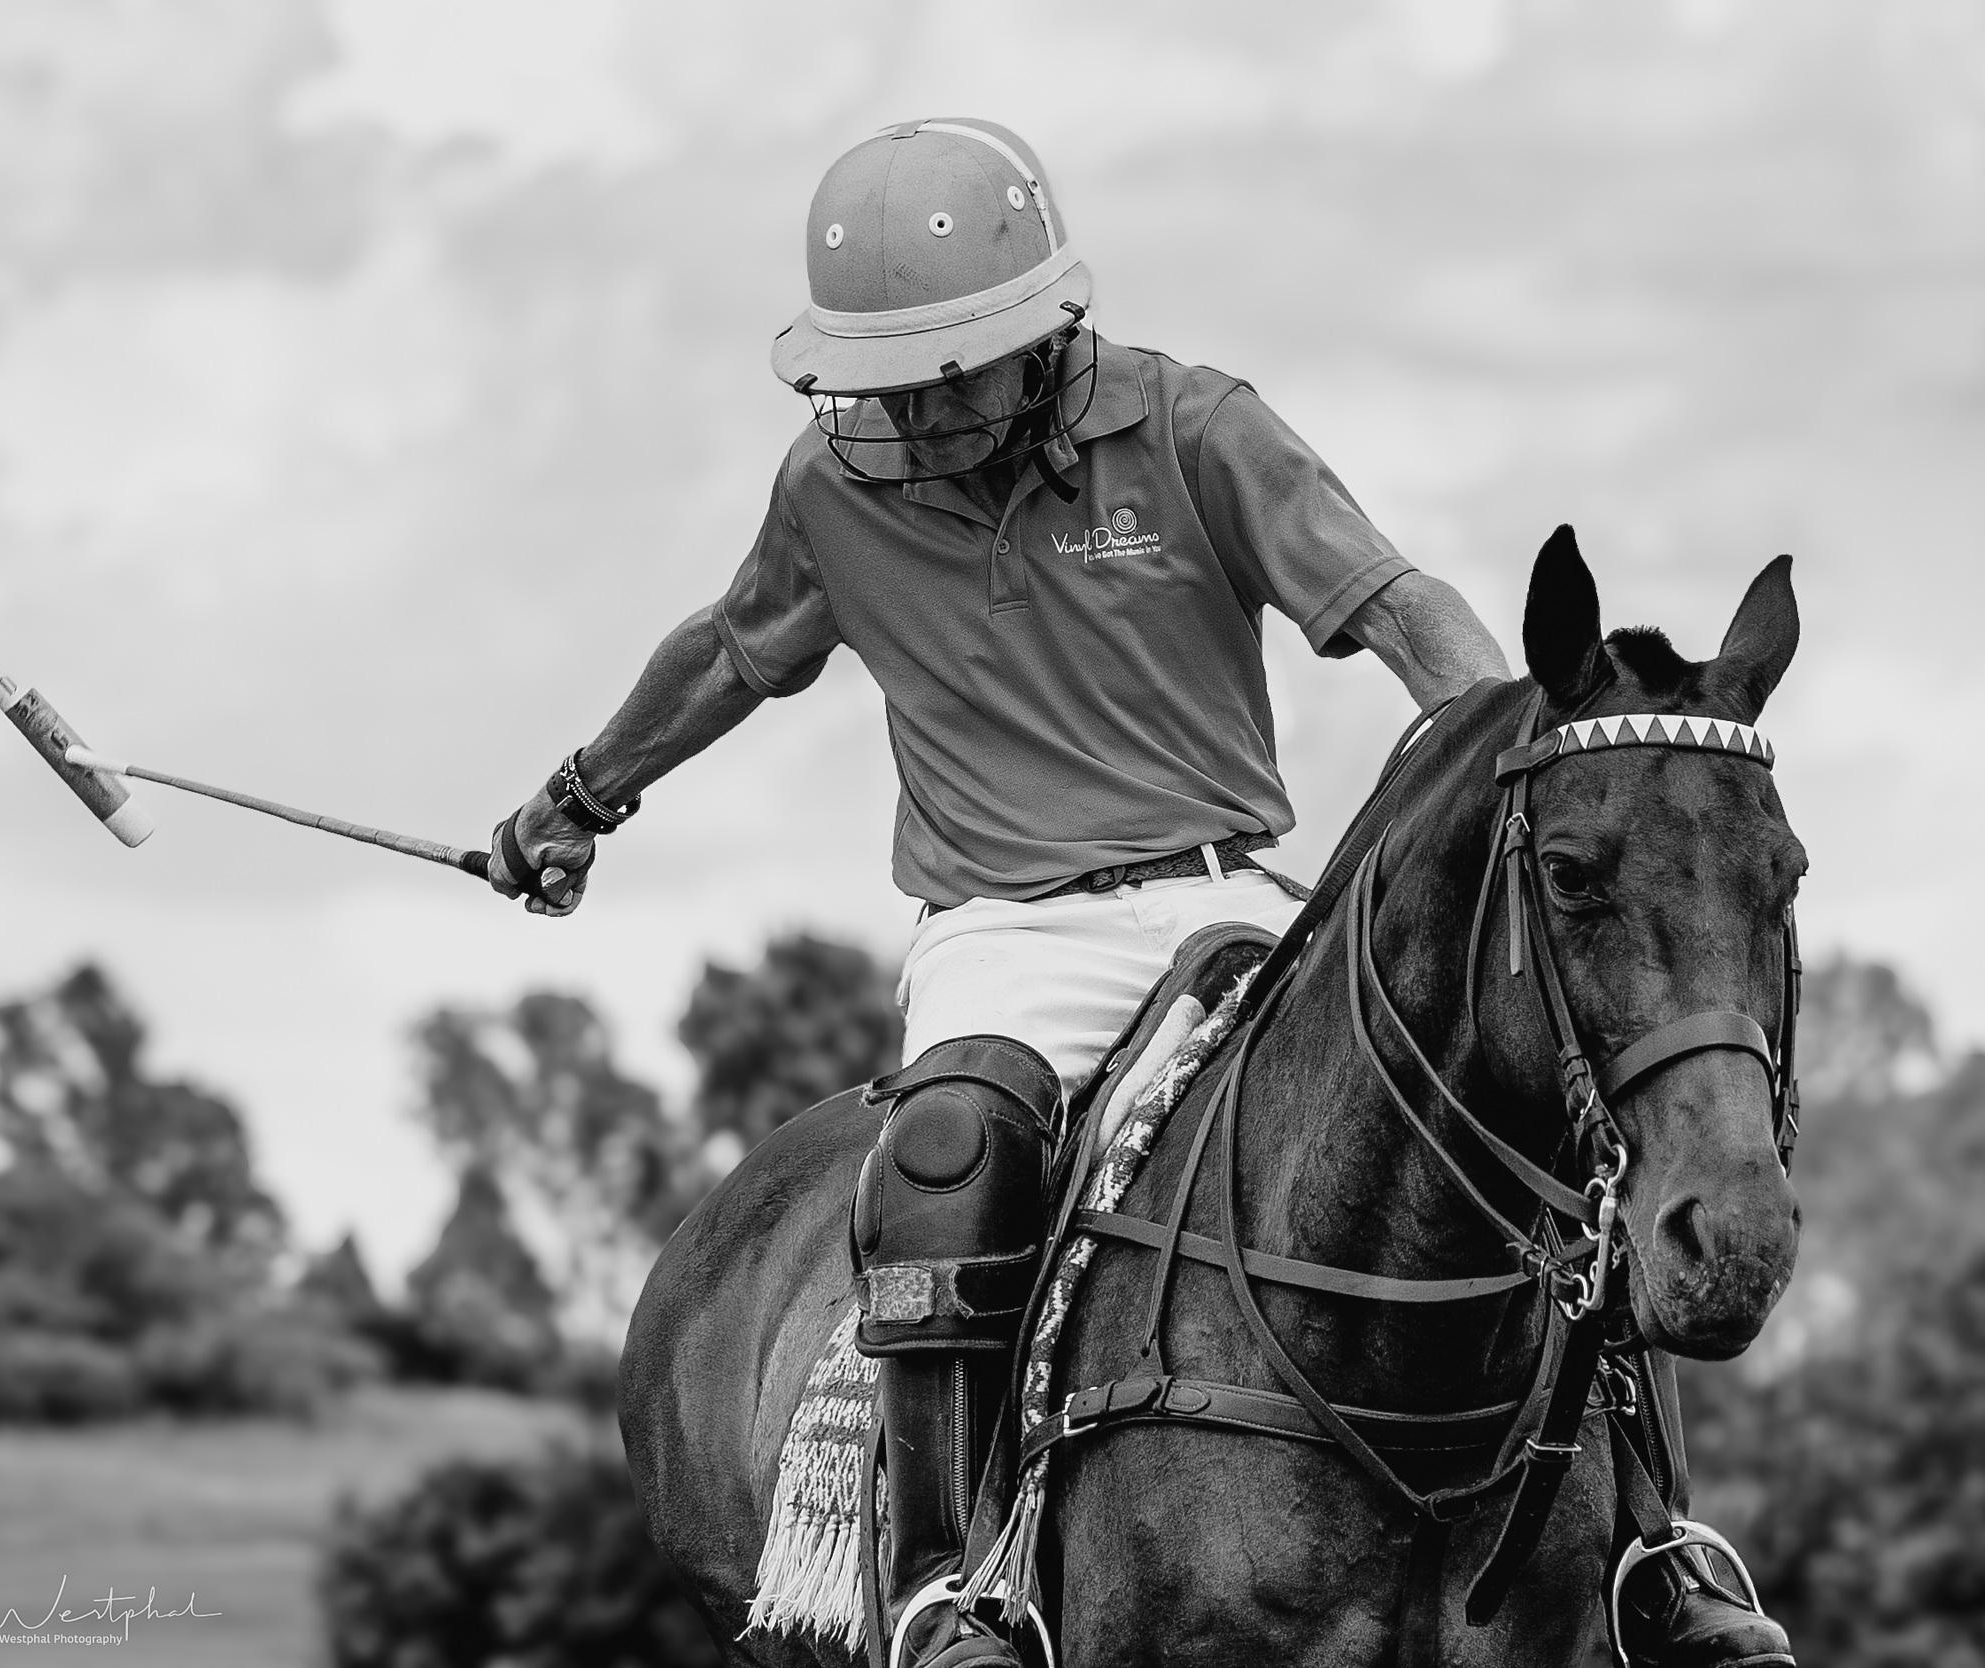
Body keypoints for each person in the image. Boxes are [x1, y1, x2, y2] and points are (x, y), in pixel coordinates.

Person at [491, 117, 1790, 1668]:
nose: (911, 413)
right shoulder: (834, 489)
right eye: (882, 381)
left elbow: (1390, 602)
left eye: (945, 376)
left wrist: (1516, 751)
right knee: (950, 1151)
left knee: (1513, 1098)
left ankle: (1655, 1543)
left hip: (1222, 897)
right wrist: (578, 797)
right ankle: (948, 1589)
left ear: (1042, 338)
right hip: (1004, 931)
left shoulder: (1193, 428)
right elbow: (730, 651)